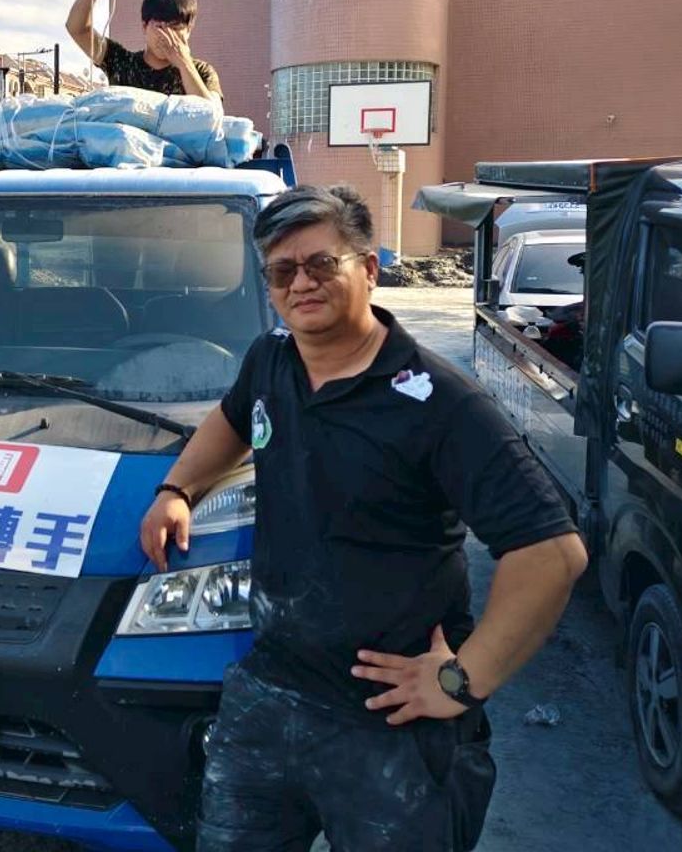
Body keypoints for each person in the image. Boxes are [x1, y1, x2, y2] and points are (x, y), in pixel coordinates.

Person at [138, 183, 588, 851]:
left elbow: (552, 553)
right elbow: (233, 420)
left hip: (390, 716)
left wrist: (465, 680)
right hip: (273, 687)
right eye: (283, 271)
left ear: (369, 269)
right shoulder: (273, 361)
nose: (302, 283)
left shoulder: (438, 401)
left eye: (322, 264)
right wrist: (177, 488)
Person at [65, 0, 223, 99]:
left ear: (188, 31)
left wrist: (184, 63)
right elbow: (77, 29)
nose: (166, 35)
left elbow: (212, 118)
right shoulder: (122, 62)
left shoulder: (202, 72)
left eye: (175, 27)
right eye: (159, 26)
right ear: (144, 26)